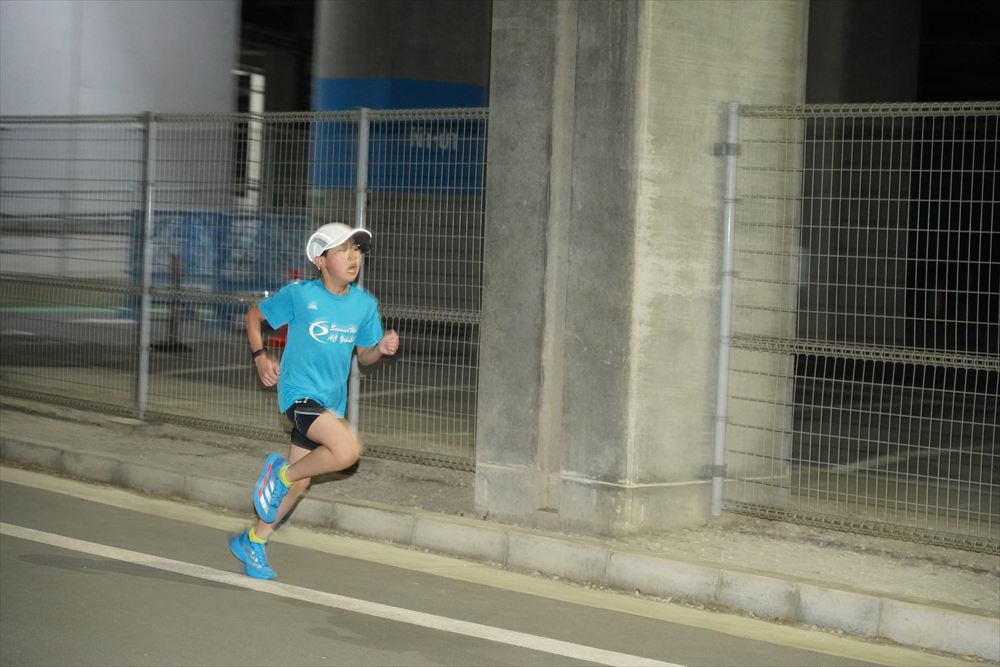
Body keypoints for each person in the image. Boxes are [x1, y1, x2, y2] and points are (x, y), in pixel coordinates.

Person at [229, 222, 399, 579]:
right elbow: (254, 316)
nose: (353, 257)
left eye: (356, 249)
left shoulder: (364, 305)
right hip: (299, 394)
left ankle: (253, 541)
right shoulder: (300, 295)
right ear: (320, 260)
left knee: (302, 481)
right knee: (347, 451)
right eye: (343, 250)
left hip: (329, 403)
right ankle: (279, 474)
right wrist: (260, 357)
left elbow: (364, 356)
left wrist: (380, 349)